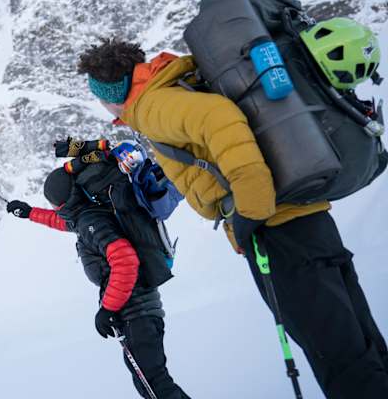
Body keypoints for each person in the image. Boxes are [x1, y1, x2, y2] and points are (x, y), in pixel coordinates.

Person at [76, 36, 388, 398]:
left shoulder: (153, 104)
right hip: (303, 217)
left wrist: (250, 214)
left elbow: (219, 119)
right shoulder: (170, 88)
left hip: (277, 229)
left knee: (336, 353)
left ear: (110, 93)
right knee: (360, 343)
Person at [7, 147, 190, 399]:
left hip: (136, 314)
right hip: (138, 313)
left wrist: (108, 308)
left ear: (63, 201)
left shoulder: (92, 222)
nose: (53, 208)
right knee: (151, 384)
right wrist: (29, 213)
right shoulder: (88, 216)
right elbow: (65, 222)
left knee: (155, 386)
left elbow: (125, 260)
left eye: (53, 203)